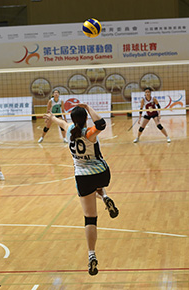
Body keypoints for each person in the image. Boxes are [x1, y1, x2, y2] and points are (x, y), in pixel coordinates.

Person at [44, 103, 119, 276]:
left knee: (90, 219)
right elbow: (101, 124)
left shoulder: (70, 129)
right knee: (97, 188)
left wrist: (51, 117)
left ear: (72, 120)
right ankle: (105, 196)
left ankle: (91, 254)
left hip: (83, 177)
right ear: (86, 119)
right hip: (102, 173)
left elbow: (59, 122)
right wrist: (88, 107)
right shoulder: (89, 133)